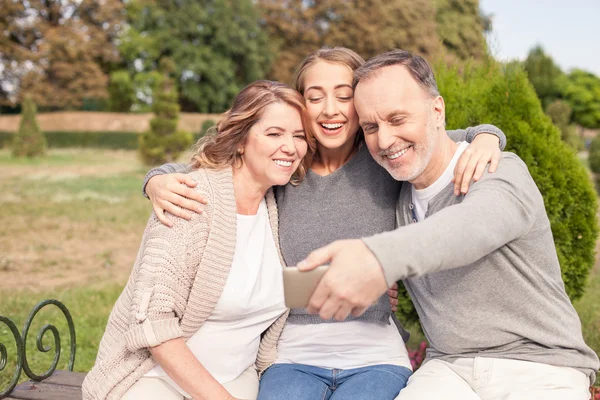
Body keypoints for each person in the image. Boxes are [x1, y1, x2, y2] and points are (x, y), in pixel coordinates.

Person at [143, 47, 508, 400]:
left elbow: (441, 138)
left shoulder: (385, 157)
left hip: (375, 353)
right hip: (292, 354)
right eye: (315, 97)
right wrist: (157, 180)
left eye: (343, 96)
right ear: (301, 104)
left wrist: (489, 136)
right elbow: (219, 167)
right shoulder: (287, 166)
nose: (330, 110)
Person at [299, 49, 600, 400]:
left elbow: (465, 230)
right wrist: (485, 131)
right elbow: (424, 137)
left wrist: (377, 257)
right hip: (449, 368)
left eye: (397, 119)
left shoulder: (499, 170)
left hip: (541, 367)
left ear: (437, 110)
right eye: (370, 127)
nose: (384, 140)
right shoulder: (396, 183)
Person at [82, 80, 315, 400]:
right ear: (241, 140)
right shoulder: (190, 199)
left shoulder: (282, 205)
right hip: (153, 378)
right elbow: (153, 326)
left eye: (299, 136)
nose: (290, 147)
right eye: (274, 133)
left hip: (236, 377)